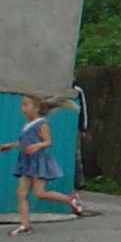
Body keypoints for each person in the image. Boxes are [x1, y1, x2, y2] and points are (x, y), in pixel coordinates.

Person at [3, 93, 84, 234]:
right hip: (25, 161)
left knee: (40, 193)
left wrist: (36, 146)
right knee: (21, 193)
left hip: (37, 161)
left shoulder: (41, 123)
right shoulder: (27, 125)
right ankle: (25, 225)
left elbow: (48, 141)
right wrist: (9, 146)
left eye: (25, 105)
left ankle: (69, 199)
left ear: (36, 108)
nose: (22, 108)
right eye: (22, 105)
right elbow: (24, 143)